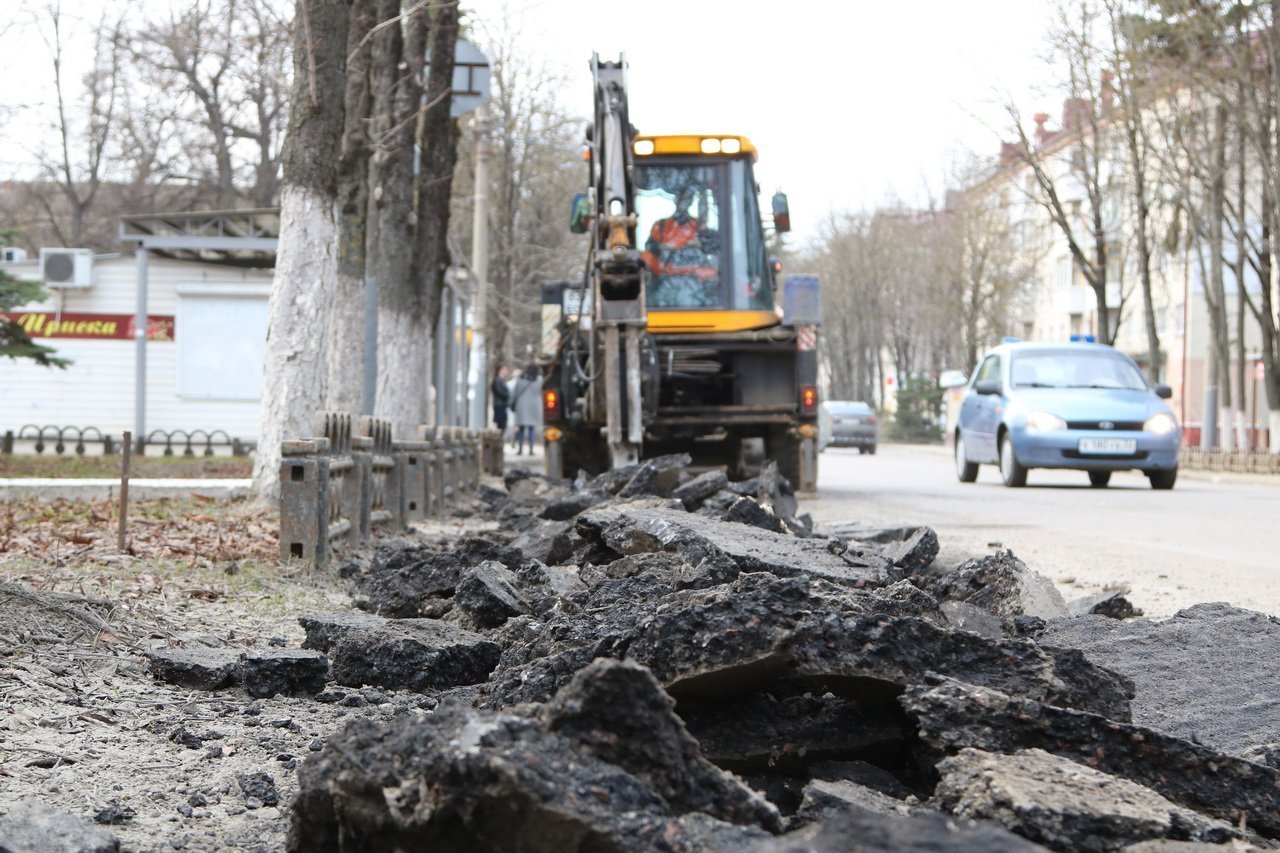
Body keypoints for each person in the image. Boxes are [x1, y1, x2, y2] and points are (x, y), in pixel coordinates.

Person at [641, 186, 719, 308]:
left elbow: (711, 246)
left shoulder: (698, 225)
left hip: (697, 275)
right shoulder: (661, 226)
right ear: (676, 200)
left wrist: (698, 244)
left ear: (691, 202)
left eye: (688, 199)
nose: (684, 203)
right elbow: (650, 248)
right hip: (667, 274)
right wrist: (665, 247)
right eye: (682, 199)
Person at [510, 363, 543, 455]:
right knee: (532, 428)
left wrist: (512, 402)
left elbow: (515, 393)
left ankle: (520, 448)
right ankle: (531, 449)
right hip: (534, 406)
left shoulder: (521, 379)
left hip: (522, 405)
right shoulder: (539, 379)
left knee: (521, 428)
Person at [491, 363, 511, 438]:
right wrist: (506, 395)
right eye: (504, 369)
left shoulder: (501, 380)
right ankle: (498, 439)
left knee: (503, 424)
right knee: (501, 424)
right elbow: (498, 390)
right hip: (500, 404)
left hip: (502, 404)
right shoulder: (497, 379)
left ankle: (499, 440)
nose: (506, 371)